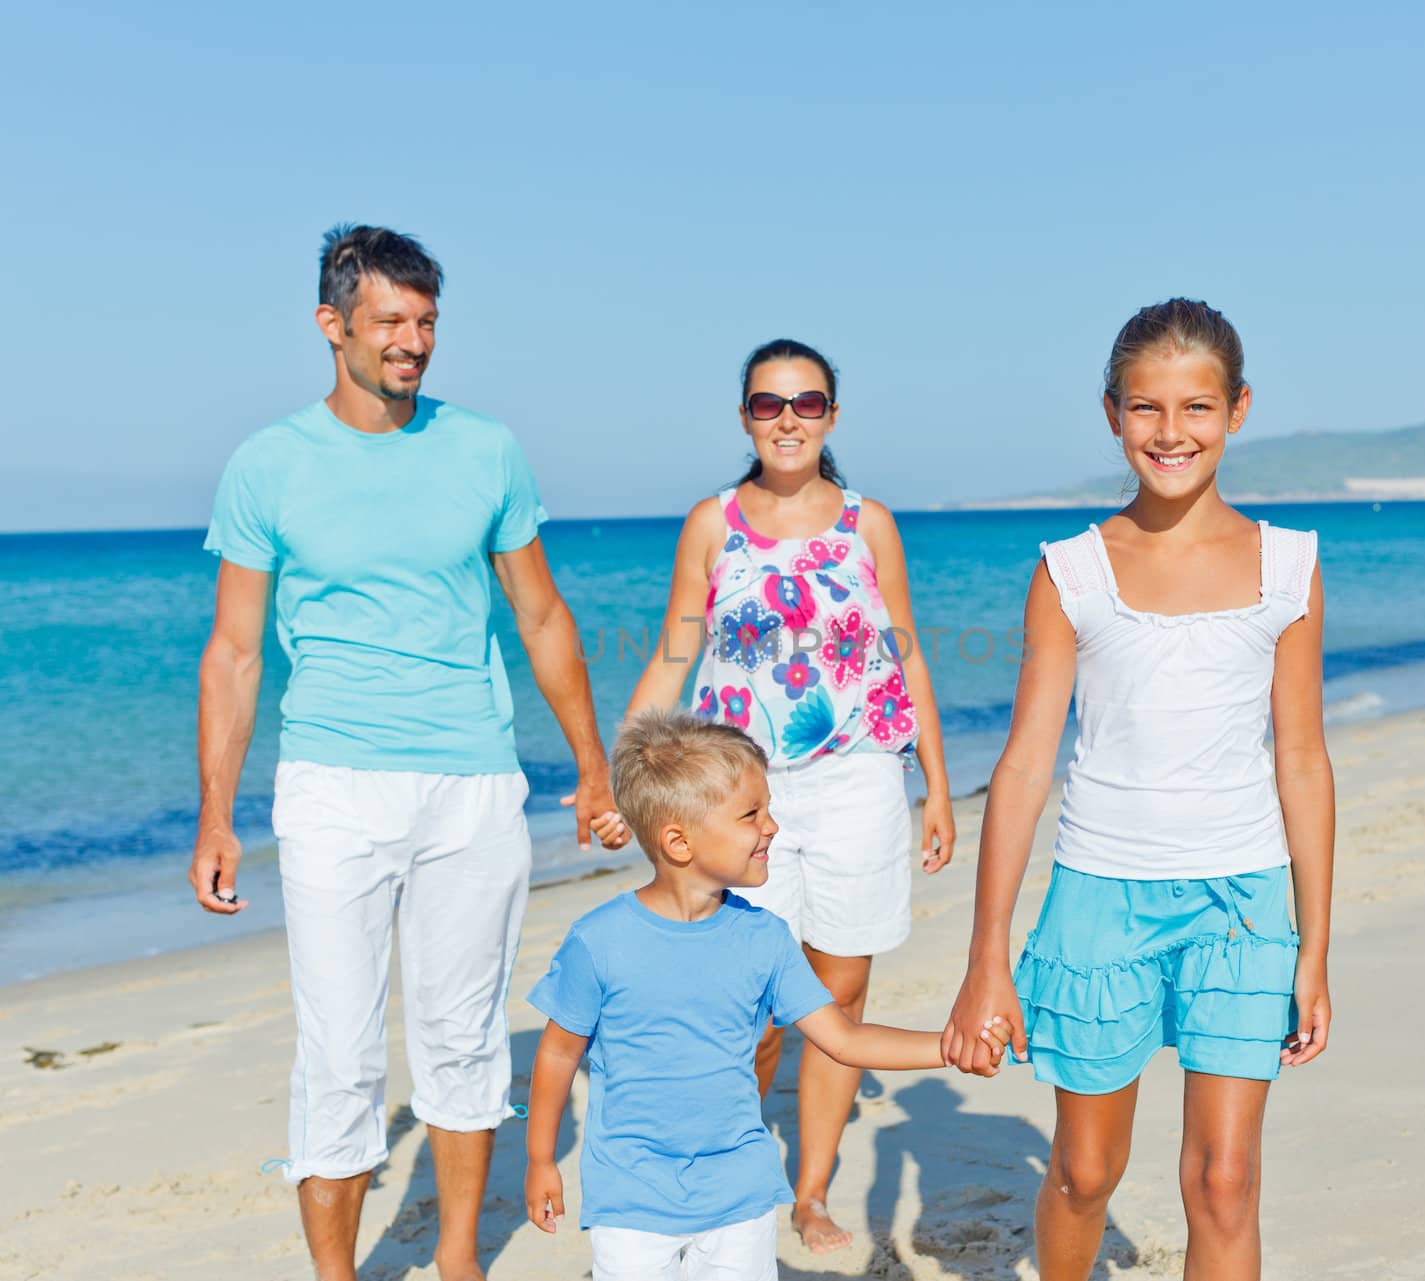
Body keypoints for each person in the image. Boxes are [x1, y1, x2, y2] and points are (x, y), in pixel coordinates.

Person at [189, 224, 630, 1281]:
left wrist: (592, 764)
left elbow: (541, 615)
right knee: (338, 1055)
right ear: (331, 324)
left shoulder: (485, 450)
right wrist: (216, 813)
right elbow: (236, 652)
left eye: (426, 321)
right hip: (332, 786)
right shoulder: (269, 464)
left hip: (473, 782)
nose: (412, 341)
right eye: (389, 319)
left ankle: (459, 1264)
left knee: (464, 1038)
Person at [942, 299, 1334, 1281]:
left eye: (1196, 407)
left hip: (1240, 908)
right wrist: (987, 954)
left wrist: (1314, 946)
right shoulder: (1070, 571)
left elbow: (1302, 759)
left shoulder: (1288, 566)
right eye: (1146, 409)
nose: (1171, 433)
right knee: (1081, 1172)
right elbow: (1027, 762)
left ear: (1237, 409)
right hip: (1097, 901)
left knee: (1226, 1180)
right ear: (1111, 414)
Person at [625, 338, 955, 1252]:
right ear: (744, 417)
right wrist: (623, 771)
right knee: (750, 1000)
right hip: (737, 790)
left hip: (859, 783)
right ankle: (733, 1167)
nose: (788, 420)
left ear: (831, 417)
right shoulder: (713, 525)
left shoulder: (868, 524)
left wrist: (936, 784)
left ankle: (808, 1192)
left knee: (837, 1002)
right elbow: (674, 655)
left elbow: (907, 654)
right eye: (769, 405)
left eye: (806, 404)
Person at [523, 709, 1009, 1281]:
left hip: (739, 1193)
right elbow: (558, 1053)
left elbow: (844, 1039)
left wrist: (951, 1046)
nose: (773, 826)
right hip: (631, 1196)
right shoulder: (599, 941)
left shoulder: (764, 937)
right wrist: (540, 1159)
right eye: (752, 814)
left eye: (769, 809)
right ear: (678, 841)